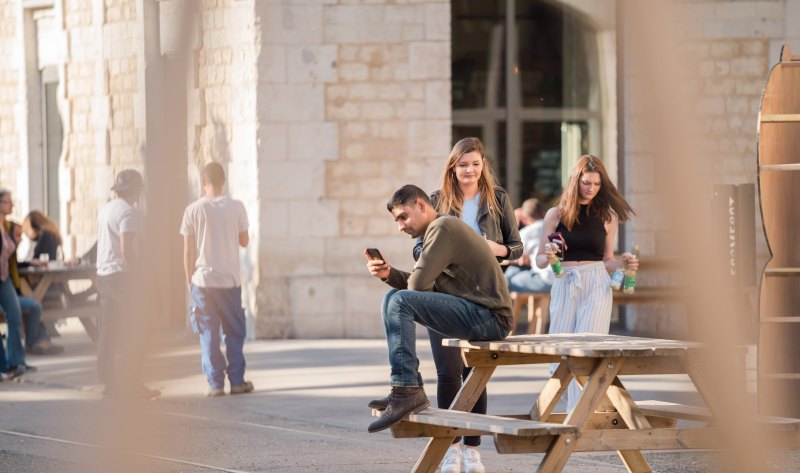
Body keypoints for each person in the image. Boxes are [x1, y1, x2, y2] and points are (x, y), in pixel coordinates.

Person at [365, 185, 512, 445]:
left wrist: (410, 285)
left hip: (490, 317)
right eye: (396, 220)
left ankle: (407, 390)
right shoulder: (437, 232)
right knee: (392, 298)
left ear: (422, 205)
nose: (400, 226)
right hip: (475, 312)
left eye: (403, 217)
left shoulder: (442, 228)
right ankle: (403, 388)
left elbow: (419, 287)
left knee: (398, 301)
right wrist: (390, 274)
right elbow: (424, 289)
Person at [409, 137, 520, 473]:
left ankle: (472, 449)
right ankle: (450, 448)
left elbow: (516, 249)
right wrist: (441, 254)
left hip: (483, 297)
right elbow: (418, 248)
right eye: (462, 164)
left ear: (482, 165)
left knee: (476, 374)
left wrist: (491, 248)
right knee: (448, 372)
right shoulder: (436, 200)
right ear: (452, 167)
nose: (469, 170)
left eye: (474, 163)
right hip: (443, 295)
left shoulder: (497, 199)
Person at [534, 155, 637, 409]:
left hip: (597, 284)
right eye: (587, 182)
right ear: (575, 181)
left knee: (589, 347)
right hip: (565, 282)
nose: (591, 189)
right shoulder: (555, 214)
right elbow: (538, 260)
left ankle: (581, 414)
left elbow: (607, 260)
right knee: (563, 350)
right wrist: (548, 255)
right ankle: (574, 413)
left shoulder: (607, 216)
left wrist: (623, 264)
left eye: (597, 184)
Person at [180, 162, 253, 397]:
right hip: (229, 280)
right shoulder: (237, 207)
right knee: (234, 331)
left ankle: (215, 384)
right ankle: (237, 381)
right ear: (224, 181)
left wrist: (187, 279)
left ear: (203, 182)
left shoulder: (192, 210)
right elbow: (244, 241)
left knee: (208, 332)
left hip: (202, 281)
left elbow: (188, 251)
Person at [95, 169, 159, 399]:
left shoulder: (106, 210)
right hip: (122, 276)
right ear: (137, 191)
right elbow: (126, 248)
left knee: (109, 330)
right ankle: (131, 382)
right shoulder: (129, 212)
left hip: (103, 276)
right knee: (141, 326)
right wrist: (140, 273)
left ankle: (109, 384)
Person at [0, 189, 37, 378]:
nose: (11, 206)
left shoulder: (6, 226)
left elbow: (9, 254)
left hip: (4, 278)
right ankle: (3, 366)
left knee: (14, 317)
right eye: (8, 202)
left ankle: (16, 362)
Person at [505, 198, 554, 293]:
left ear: (524, 218)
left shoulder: (528, 231)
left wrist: (513, 222)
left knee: (507, 282)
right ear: (542, 213)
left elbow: (509, 251)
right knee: (513, 271)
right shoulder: (552, 226)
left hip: (545, 279)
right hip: (559, 277)